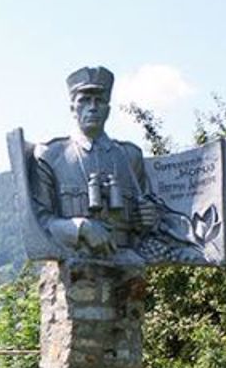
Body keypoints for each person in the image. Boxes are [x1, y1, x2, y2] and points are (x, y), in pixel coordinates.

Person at [29, 66, 160, 259]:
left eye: (99, 100)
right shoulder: (51, 155)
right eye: (84, 100)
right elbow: (40, 222)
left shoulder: (130, 156)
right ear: (73, 108)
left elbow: (147, 221)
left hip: (126, 265)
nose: (92, 107)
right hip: (77, 264)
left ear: (108, 109)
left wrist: (149, 218)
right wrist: (80, 228)